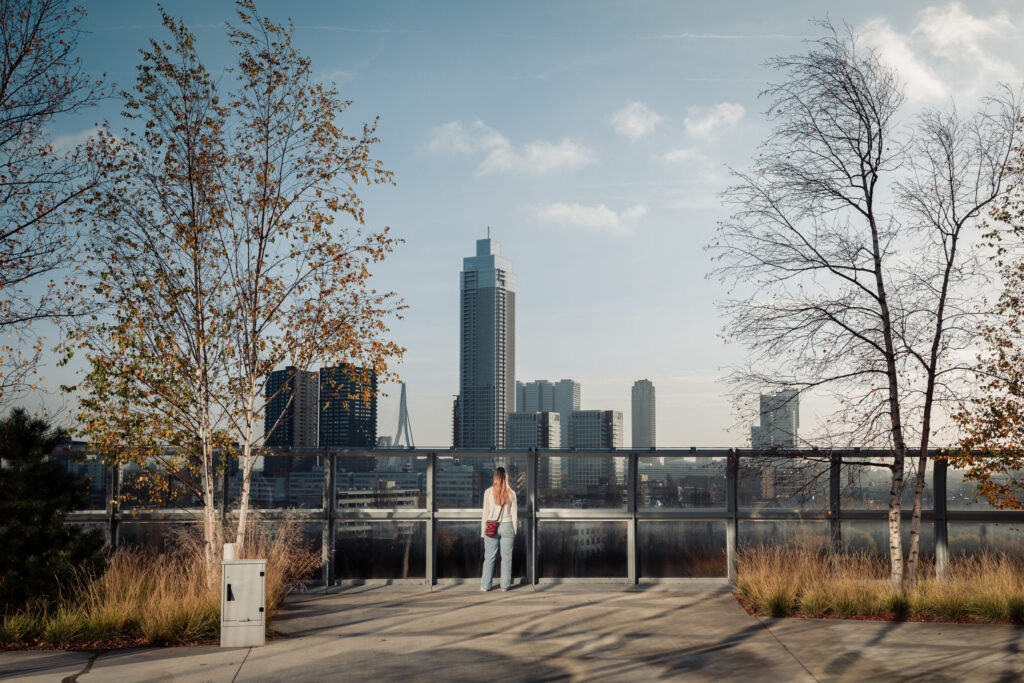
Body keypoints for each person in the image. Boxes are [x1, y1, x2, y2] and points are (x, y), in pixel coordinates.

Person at [480, 466, 517, 592]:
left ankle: (485, 586)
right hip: (507, 526)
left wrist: (482, 531)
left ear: (495, 477)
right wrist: (515, 530)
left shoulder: (488, 492)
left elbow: (485, 513)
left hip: (491, 526)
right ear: (506, 477)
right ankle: (505, 586)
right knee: (506, 558)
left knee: (489, 557)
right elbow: (514, 514)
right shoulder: (511, 493)